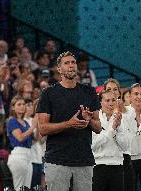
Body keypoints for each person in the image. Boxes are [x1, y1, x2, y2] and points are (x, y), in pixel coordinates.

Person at [37, 51, 101, 191]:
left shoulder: (89, 92)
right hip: (57, 161)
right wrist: (68, 124)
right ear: (59, 69)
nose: (71, 65)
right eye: (67, 63)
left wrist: (89, 120)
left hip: (84, 160)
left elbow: (98, 127)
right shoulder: (49, 93)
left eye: (73, 62)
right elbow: (42, 129)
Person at [92, 90, 134, 191]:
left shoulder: (121, 118)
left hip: (117, 166)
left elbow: (125, 146)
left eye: (113, 100)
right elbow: (93, 145)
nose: (111, 103)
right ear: (100, 102)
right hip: (98, 166)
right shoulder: (94, 119)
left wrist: (118, 128)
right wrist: (112, 129)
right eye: (107, 100)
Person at [7, 95, 35, 190]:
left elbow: (34, 140)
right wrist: (33, 127)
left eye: (23, 104)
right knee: (19, 187)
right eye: (19, 104)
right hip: (18, 156)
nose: (22, 106)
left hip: (28, 156)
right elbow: (20, 138)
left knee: (26, 187)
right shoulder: (12, 121)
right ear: (13, 107)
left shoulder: (26, 123)